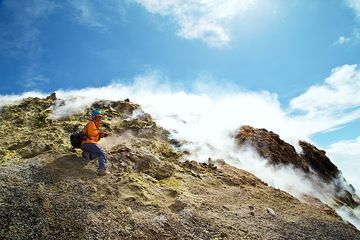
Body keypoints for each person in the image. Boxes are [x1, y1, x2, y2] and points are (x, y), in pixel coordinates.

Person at [81, 109, 110, 176]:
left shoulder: (96, 126)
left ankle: (87, 154)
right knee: (102, 153)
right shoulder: (91, 123)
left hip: (86, 144)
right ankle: (102, 171)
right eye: (98, 116)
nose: (100, 118)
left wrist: (100, 136)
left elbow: (93, 138)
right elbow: (91, 133)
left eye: (100, 117)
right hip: (88, 143)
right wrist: (99, 132)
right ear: (94, 117)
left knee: (99, 152)